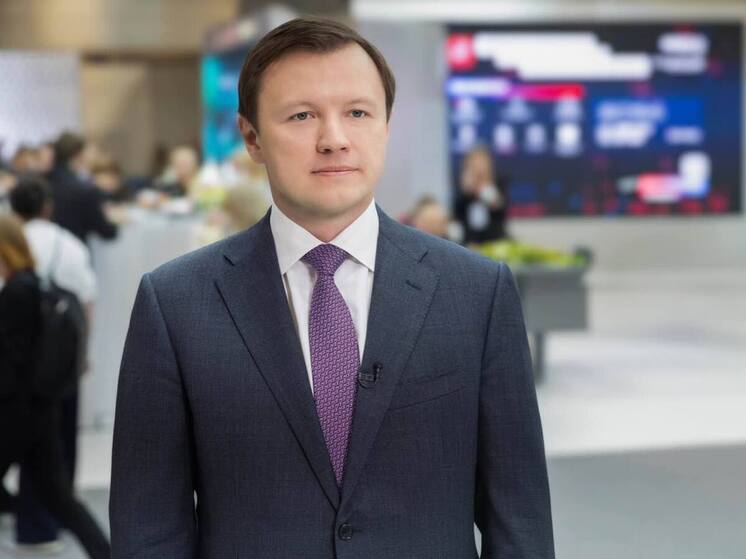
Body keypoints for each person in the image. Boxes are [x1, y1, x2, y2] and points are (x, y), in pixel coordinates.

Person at [110, 17, 554, 558]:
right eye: (302, 116)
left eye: (358, 113)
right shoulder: (176, 304)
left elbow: (519, 520)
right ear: (251, 137)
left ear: (386, 126)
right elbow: (149, 527)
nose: (334, 140)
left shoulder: (476, 293)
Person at [0, 214, 110, 558]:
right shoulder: (35, 285)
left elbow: (12, 362)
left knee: (58, 498)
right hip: (40, 411)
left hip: (15, 414)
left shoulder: (16, 292)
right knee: (60, 499)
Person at [47, 132, 118, 244]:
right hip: (76, 249)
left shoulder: (42, 182)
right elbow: (107, 231)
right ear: (79, 155)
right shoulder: (85, 190)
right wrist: (115, 220)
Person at [454, 146, 510, 245]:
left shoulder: (498, 182)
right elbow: (457, 215)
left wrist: (483, 190)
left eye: (482, 163)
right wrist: (466, 192)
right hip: (470, 241)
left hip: (496, 239)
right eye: (474, 164)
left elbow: (500, 208)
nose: (478, 168)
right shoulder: (462, 187)